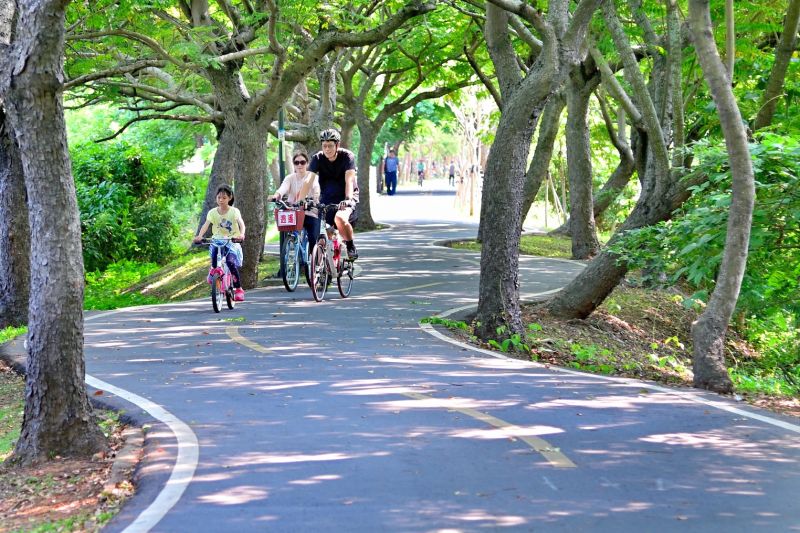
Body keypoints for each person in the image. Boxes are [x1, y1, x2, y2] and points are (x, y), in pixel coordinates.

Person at [298, 128, 359, 260]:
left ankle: (350, 245)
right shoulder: (318, 158)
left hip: (346, 198)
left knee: (340, 218)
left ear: (337, 145)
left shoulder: (347, 157)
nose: (327, 149)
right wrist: (301, 200)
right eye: (324, 146)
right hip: (327, 198)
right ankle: (326, 269)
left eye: (330, 145)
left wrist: (348, 199)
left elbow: (349, 180)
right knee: (323, 233)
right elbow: (308, 180)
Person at [193, 185, 246, 301]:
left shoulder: (234, 211)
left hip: (231, 241)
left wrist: (241, 235)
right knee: (214, 255)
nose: (221, 200)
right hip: (217, 240)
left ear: (230, 198)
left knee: (230, 263)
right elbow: (205, 225)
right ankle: (213, 270)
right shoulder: (212, 213)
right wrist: (199, 236)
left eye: (224, 198)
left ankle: (238, 289)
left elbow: (241, 224)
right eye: (219, 197)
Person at [271, 150, 321, 261]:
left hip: (310, 212)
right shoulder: (290, 178)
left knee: (313, 238)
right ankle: (288, 261)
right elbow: (283, 188)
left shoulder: (313, 177)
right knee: (287, 234)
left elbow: (316, 189)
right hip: (295, 213)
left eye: (302, 162)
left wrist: (314, 199)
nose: (299, 165)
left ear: (307, 164)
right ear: (293, 164)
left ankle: (316, 264)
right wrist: (276, 195)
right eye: (296, 162)